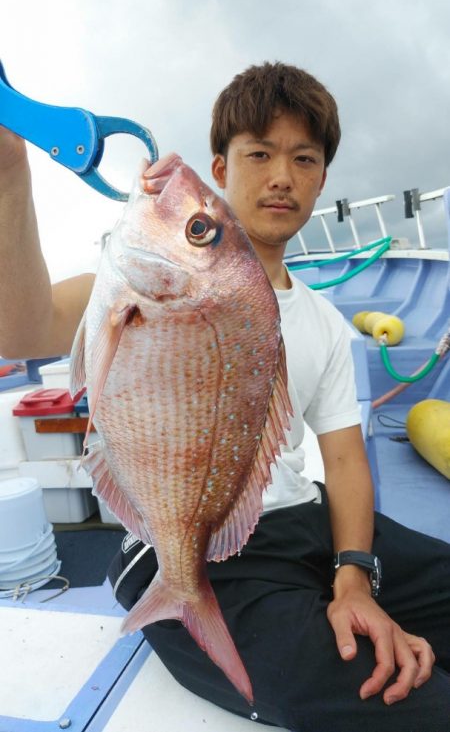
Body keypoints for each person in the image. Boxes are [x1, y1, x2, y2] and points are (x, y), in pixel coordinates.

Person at [1, 62, 450, 731]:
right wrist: (12, 176)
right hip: (181, 544)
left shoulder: (323, 319)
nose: (281, 175)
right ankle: (181, 599)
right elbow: (20, 327)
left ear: (322, 178)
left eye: (304, 158)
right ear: (221, 165)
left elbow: (347, 460)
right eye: (259, 152)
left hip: (307, 522)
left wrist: (353, 573)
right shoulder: (125, 287)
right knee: (407, 701)